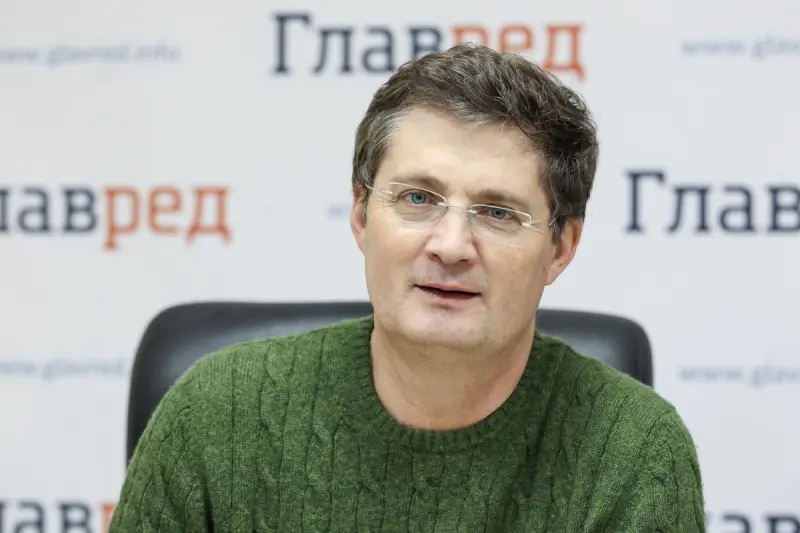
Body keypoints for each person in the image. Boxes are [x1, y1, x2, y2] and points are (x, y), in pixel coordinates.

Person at [110, 43, 705, 532]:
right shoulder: (216, 413)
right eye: (418, 198)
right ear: (361, 215)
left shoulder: (634, 451)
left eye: (498, 212)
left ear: (561, 247)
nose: (451, 245)